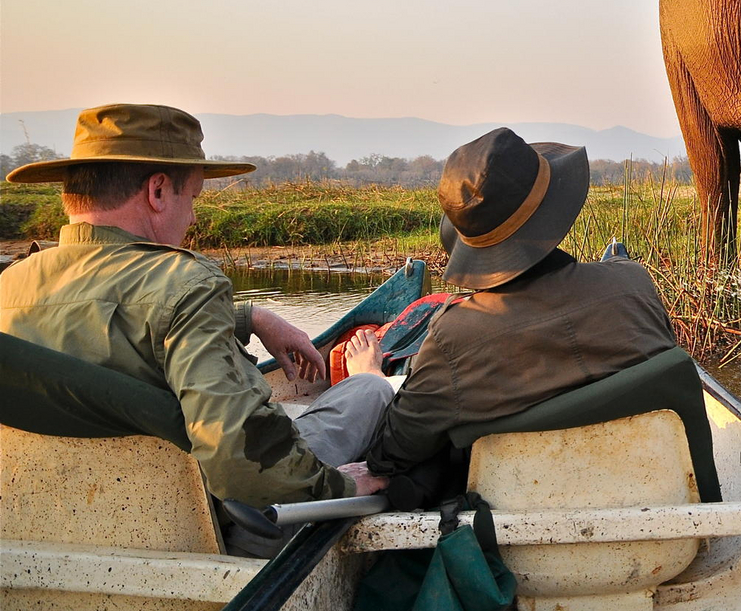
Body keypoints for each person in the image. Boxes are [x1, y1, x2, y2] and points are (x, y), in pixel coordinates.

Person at [1, 103, 391, 506]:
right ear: (157, 191)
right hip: (218, 515)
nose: (191, 217)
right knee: (368, 389)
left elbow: (101, 323)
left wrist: (249, 317)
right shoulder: (185, 282)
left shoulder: (10, 284)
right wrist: (339, 485)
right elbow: (242, 463)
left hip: (56, 510)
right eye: (192, 197)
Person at [363, 128, 678, 478]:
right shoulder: (635, 282)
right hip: (655, 487)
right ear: (556, 207)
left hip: (521, 513)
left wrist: (372, 379)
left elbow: (390, 454)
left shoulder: (454, 336)